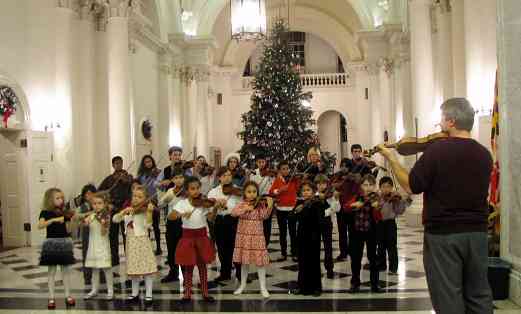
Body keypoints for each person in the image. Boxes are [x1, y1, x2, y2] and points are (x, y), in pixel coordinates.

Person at [376, 98, 494, 314]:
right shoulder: (485, 154)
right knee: (479, 294)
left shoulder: (437, 152)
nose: (439, 124)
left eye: (441, 119)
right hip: (477, 233)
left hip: (443, 235)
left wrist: (392, 158)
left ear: (451, 121)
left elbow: (411, 186)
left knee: (448, 296)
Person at [171, 176, 216, 303]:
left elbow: (211, 218)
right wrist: (180, 214)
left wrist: (216, 207)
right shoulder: (182, 203)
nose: (196, 191)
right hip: (188, 237)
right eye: (192, 189)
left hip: (201, 236)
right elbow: (171, 216)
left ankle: (205, 292)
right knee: (188, 267)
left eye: (197, 188)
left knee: (202, 266)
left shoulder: (203, 203)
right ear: (187, 190)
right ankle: (187, 293)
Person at [113, 185, 158, 305]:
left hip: (142, 242)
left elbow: (148, 225)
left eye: (140, 197)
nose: (136, 199)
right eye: (134, 196)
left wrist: (149, 212)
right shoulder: (129, 210)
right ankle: (135, 293)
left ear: (145, 199)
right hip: (131, 244)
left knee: (147, 270)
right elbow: (115, 219)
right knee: (134, 271)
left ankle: (148, 294)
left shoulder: (144, 210)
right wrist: (123, 212)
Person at [232, 181, 274, 298]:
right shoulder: (241, 204)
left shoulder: (260, 204)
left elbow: (264, 216)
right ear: (244, 193)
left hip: (257, 237)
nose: (252, 194)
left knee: (260, 264)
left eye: (254, 192)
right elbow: (233, 213)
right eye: (249, 192)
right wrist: (246, 208)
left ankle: (263, 287)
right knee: (244, 263)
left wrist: (269, 206)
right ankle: (242, 285)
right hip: (244, 237)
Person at [37, 188, 76, 309]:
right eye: (57, 198)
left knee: (65, 271)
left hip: (64, 241)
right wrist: (54, 220)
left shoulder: (64, 212)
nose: (61, 200)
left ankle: (68, 296)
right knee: (51, 272)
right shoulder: (45, 212)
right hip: (51, 242)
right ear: (50, 200)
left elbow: (69, 228)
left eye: (61, 198)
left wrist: (71, 220)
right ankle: (51, 297)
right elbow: (40, 225)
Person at [156, 147, 187, 283]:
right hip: (171, 222)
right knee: (172, 247)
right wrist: (165, 199)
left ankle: (187, 275)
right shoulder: (170, 191)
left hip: (185, 222)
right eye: (176, 178)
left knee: (185, 249)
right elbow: (160, 204)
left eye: (181, 178)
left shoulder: (187, 190)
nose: (179, 180)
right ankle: (173, 272)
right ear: (173, 179)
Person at [346, 174, 382, 293]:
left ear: (374, 186)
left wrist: (376, 208)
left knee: (373, 258)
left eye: (371, 185)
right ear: (361, 186)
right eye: (365, 185)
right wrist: (354, 205)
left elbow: (379, 217)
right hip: (356, 232)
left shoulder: (376, 199)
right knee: (356, 258)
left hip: (372, 232)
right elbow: (346, 207)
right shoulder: (357, 197)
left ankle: (375, 284)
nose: (368, 187)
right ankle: (355, 283)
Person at [208, 167, 242, 282]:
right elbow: (210, 215)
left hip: (233, 220)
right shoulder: (213, 192)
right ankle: (225, 273)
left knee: (235, 248)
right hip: (219, 221)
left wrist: (234, 210)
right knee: (222, 249)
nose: (227, 178)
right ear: (219, 178)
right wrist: (216, 207)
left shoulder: (237, 190)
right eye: (224, 176)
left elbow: (242, 207)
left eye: (229, 175)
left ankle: (240, 273)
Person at [98, 156, 133, 267]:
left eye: (120, 163)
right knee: (113, 235)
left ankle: (130, 257)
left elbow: (133, 188)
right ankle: (114, 258)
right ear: (113, 165)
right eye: (116, 163)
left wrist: (126, 181)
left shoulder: (128, 177)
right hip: (113, 208)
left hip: (125, 208)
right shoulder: (109, 179)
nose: (119, 165)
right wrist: (108, 203)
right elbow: (100, 192)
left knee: (126, 234)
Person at [293, 181, 325, 296]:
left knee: (314, 262)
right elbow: (293, 217)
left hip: (314, 236)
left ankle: (316, 288)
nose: (306, 192)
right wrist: (297, 210)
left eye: (308, 190)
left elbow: (321, 219)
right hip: (301, 235)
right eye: (304, 190)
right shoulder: (299, 202)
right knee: (302, 262)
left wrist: (310, 205)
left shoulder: (317, 203)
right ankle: (302, 286)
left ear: (313, 191)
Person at [375, 176, 412, 274]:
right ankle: (381, 265)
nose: (386, 189)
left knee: (392, 246)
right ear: (380, 187)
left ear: (392, 188)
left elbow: (399, 211)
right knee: (380, 246)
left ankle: (393, 267)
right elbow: (375, 209)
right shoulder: (377, 198)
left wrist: (404, 200)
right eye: (383, 186)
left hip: (390, 224)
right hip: (380, 224)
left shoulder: (395, 198)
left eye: (388, 187)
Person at [82, 192, 114, 300]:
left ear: (104, 204)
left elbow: (104, 232)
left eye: (100, 203)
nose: (97, 206)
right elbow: (84, 224)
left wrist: (103, 222)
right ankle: (94, 289)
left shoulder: (106, 215)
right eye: (94, 203)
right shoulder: (91, 216)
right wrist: (85, 220)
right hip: (93, 245)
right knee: (94, 269)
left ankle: (110, 290)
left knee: (106, 269)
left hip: (103, 245)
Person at [269, 160, 299, 261]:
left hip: (291, 209)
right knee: (282, 232)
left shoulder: (294, 179)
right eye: (283, 169)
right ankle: (283, 253)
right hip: (281, 209)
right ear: (279, 170)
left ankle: (294, 253)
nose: (286, 171)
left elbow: (299, 188)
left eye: (287, 169)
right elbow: (271, 192)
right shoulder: (277, 180)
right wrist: (280, 190)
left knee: (293, 231)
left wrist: (299, 180)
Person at [314, 174, 341, 279]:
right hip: (315, 224)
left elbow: (337, 209)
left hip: (327, 224)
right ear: (316, 185)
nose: (321, 186)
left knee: (328, 247)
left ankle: (329, 268)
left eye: (324, 184)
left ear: (327, 184)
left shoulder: (330, 196)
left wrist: (336, 199)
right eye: (319, 184)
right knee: (315, 246)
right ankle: (315, 269)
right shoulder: (314, 195)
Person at [136, 154, 162, 255]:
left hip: (154, 200)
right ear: (143, 164)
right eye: (146, 162)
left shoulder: (157, 173)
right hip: (144, 202)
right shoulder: (141, 175)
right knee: (146, 226)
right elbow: (138, 187)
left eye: (150, 161)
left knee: (156, 225)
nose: (148, 163)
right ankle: (147, 247)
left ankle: (159, 247)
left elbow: (160, 184)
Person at [249, 154, 275, 246]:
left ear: (266, 162)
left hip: (267, 199)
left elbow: (273, 186)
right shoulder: (253, 173)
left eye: (263, 162)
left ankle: (266, 243)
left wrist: (271, 175)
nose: (261, 164)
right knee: (257, 221)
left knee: (267, 223)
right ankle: (257, 243)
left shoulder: (270, 173)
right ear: (256, 163)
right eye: (259, 162)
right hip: (256, 199)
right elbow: (251, 185)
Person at [76, 184, 97, 285]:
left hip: (97, 234)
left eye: (92, 193)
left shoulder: (98, 204)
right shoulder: (82, 207)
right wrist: (87, 214)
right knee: (86, 255)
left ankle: (101, 276)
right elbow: (77, 216)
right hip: (87, 234)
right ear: (84, 195)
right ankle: (87, 277)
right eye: (88, 194)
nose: (90, 196)